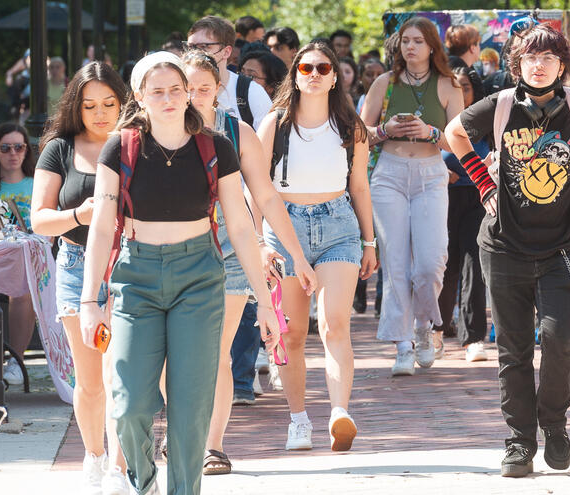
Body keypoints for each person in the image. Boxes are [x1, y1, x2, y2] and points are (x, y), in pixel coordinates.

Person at [77, 52, 307, 495]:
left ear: (189, 94)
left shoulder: (215, 145)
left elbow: (239, 224)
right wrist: (91, 301)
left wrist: (263, 304)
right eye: (157, 91)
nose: (168, 99)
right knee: (128, 406)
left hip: (199, 274)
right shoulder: (119, 146)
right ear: (140, 97)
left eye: (176, 90)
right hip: (135, 275)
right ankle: (142, 481)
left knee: (190, 405)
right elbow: (103, 226)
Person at [446, 22, 570, 477]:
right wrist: (483, 183)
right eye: (529, 58)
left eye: (547, 58)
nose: (538, 66)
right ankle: (520, 441)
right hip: (503, 245)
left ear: (563, 64)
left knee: (562, 338)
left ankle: (555, 425)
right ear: (516, 64)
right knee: (514, 348)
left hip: (562, 243)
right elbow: (453, 133)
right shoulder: (500, 105)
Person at [179, 50, 307, 471]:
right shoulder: (161, 132)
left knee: (217, 350)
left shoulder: (236, 131)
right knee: (172, 353)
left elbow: (265, 194)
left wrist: (292, 252)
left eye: (204, 88)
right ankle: (182, 432)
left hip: (231, 253)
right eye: (188, 88)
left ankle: (211, 445)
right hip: (175, 252)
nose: (196, 96)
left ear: (218, 89)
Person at [256, 42, 378, 452]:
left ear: (335, 76)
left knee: (334, 324)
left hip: (337, 226)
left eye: (322, 68)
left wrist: (369, 240)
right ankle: (298, 420)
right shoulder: (274, 123)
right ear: (295, 74)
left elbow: (360, 186)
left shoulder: (350, 126)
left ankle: (339, 412)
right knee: (291, 334)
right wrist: (259, 242)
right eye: (305, 67)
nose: (313, 74)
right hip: (283, 229)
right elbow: (256, 190)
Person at [32, 62, 132, 494]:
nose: (100, 113)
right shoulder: (58, 149)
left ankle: (120, 466)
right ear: (76, 106)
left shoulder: (136, 145)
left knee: (123, 375)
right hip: (75, 266)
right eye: (90, 105)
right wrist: (80, 214)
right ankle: (93, 456)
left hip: (129, 265)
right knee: (90, 379)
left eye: (109, 103)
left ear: (124, 101)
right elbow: (40, 219)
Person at [360, 17, 464, 375]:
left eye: (418, 41)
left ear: (432, 46)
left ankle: (423, 324)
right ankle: (402, 344)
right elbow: (359, 133)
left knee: (431, 263)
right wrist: (385, 130)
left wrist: (431, 131)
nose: (410, 47)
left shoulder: (449, 85)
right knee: (396, 265)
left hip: (430, 175)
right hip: (389, 173)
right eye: (405, 41)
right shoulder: (384, 83)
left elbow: (458, 140)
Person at [436, 67, 491, 362]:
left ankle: (473, 338)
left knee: (474, 262)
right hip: (440, 196)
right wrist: (439, 171)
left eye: (466, 87)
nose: (461, 92)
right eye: (455, 87)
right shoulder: (438, 112)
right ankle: (436, 331)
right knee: (444, 264)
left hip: (478, 196)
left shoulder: (487, 117)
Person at [0, 122, 38, 387]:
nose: (13, 153)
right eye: (6, 147)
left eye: (19, 147)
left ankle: (16, 361)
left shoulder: (38, 183)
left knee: (24, 287)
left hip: (29, 254)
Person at [187, 16, 272, 128]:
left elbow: (266, 144)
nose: (196, 53)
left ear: (226, 52)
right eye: (190, 47)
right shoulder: (177, 89)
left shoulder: (251, 92)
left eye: (204, 47)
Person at [446, 24, 485, 100]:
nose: (479, 48)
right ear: (472, 48)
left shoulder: (447, 65)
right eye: (478, 44)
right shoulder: (460, 73)